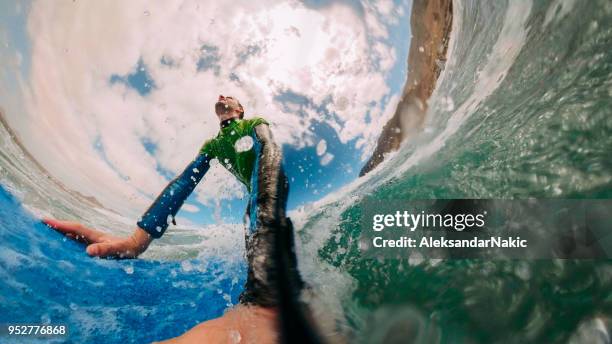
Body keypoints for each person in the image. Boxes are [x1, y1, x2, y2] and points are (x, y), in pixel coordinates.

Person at [43, 95, 306, 343]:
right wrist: (137, 241)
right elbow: (183, 183)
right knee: (249, 220)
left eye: (231, 97)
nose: (222, 94)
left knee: (257, 227)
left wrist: (266, 291)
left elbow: (268, 150)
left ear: (240, 110)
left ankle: (269, 303)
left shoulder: (253, 123)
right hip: (255, 203)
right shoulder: (213, 145)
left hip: (270, 187)